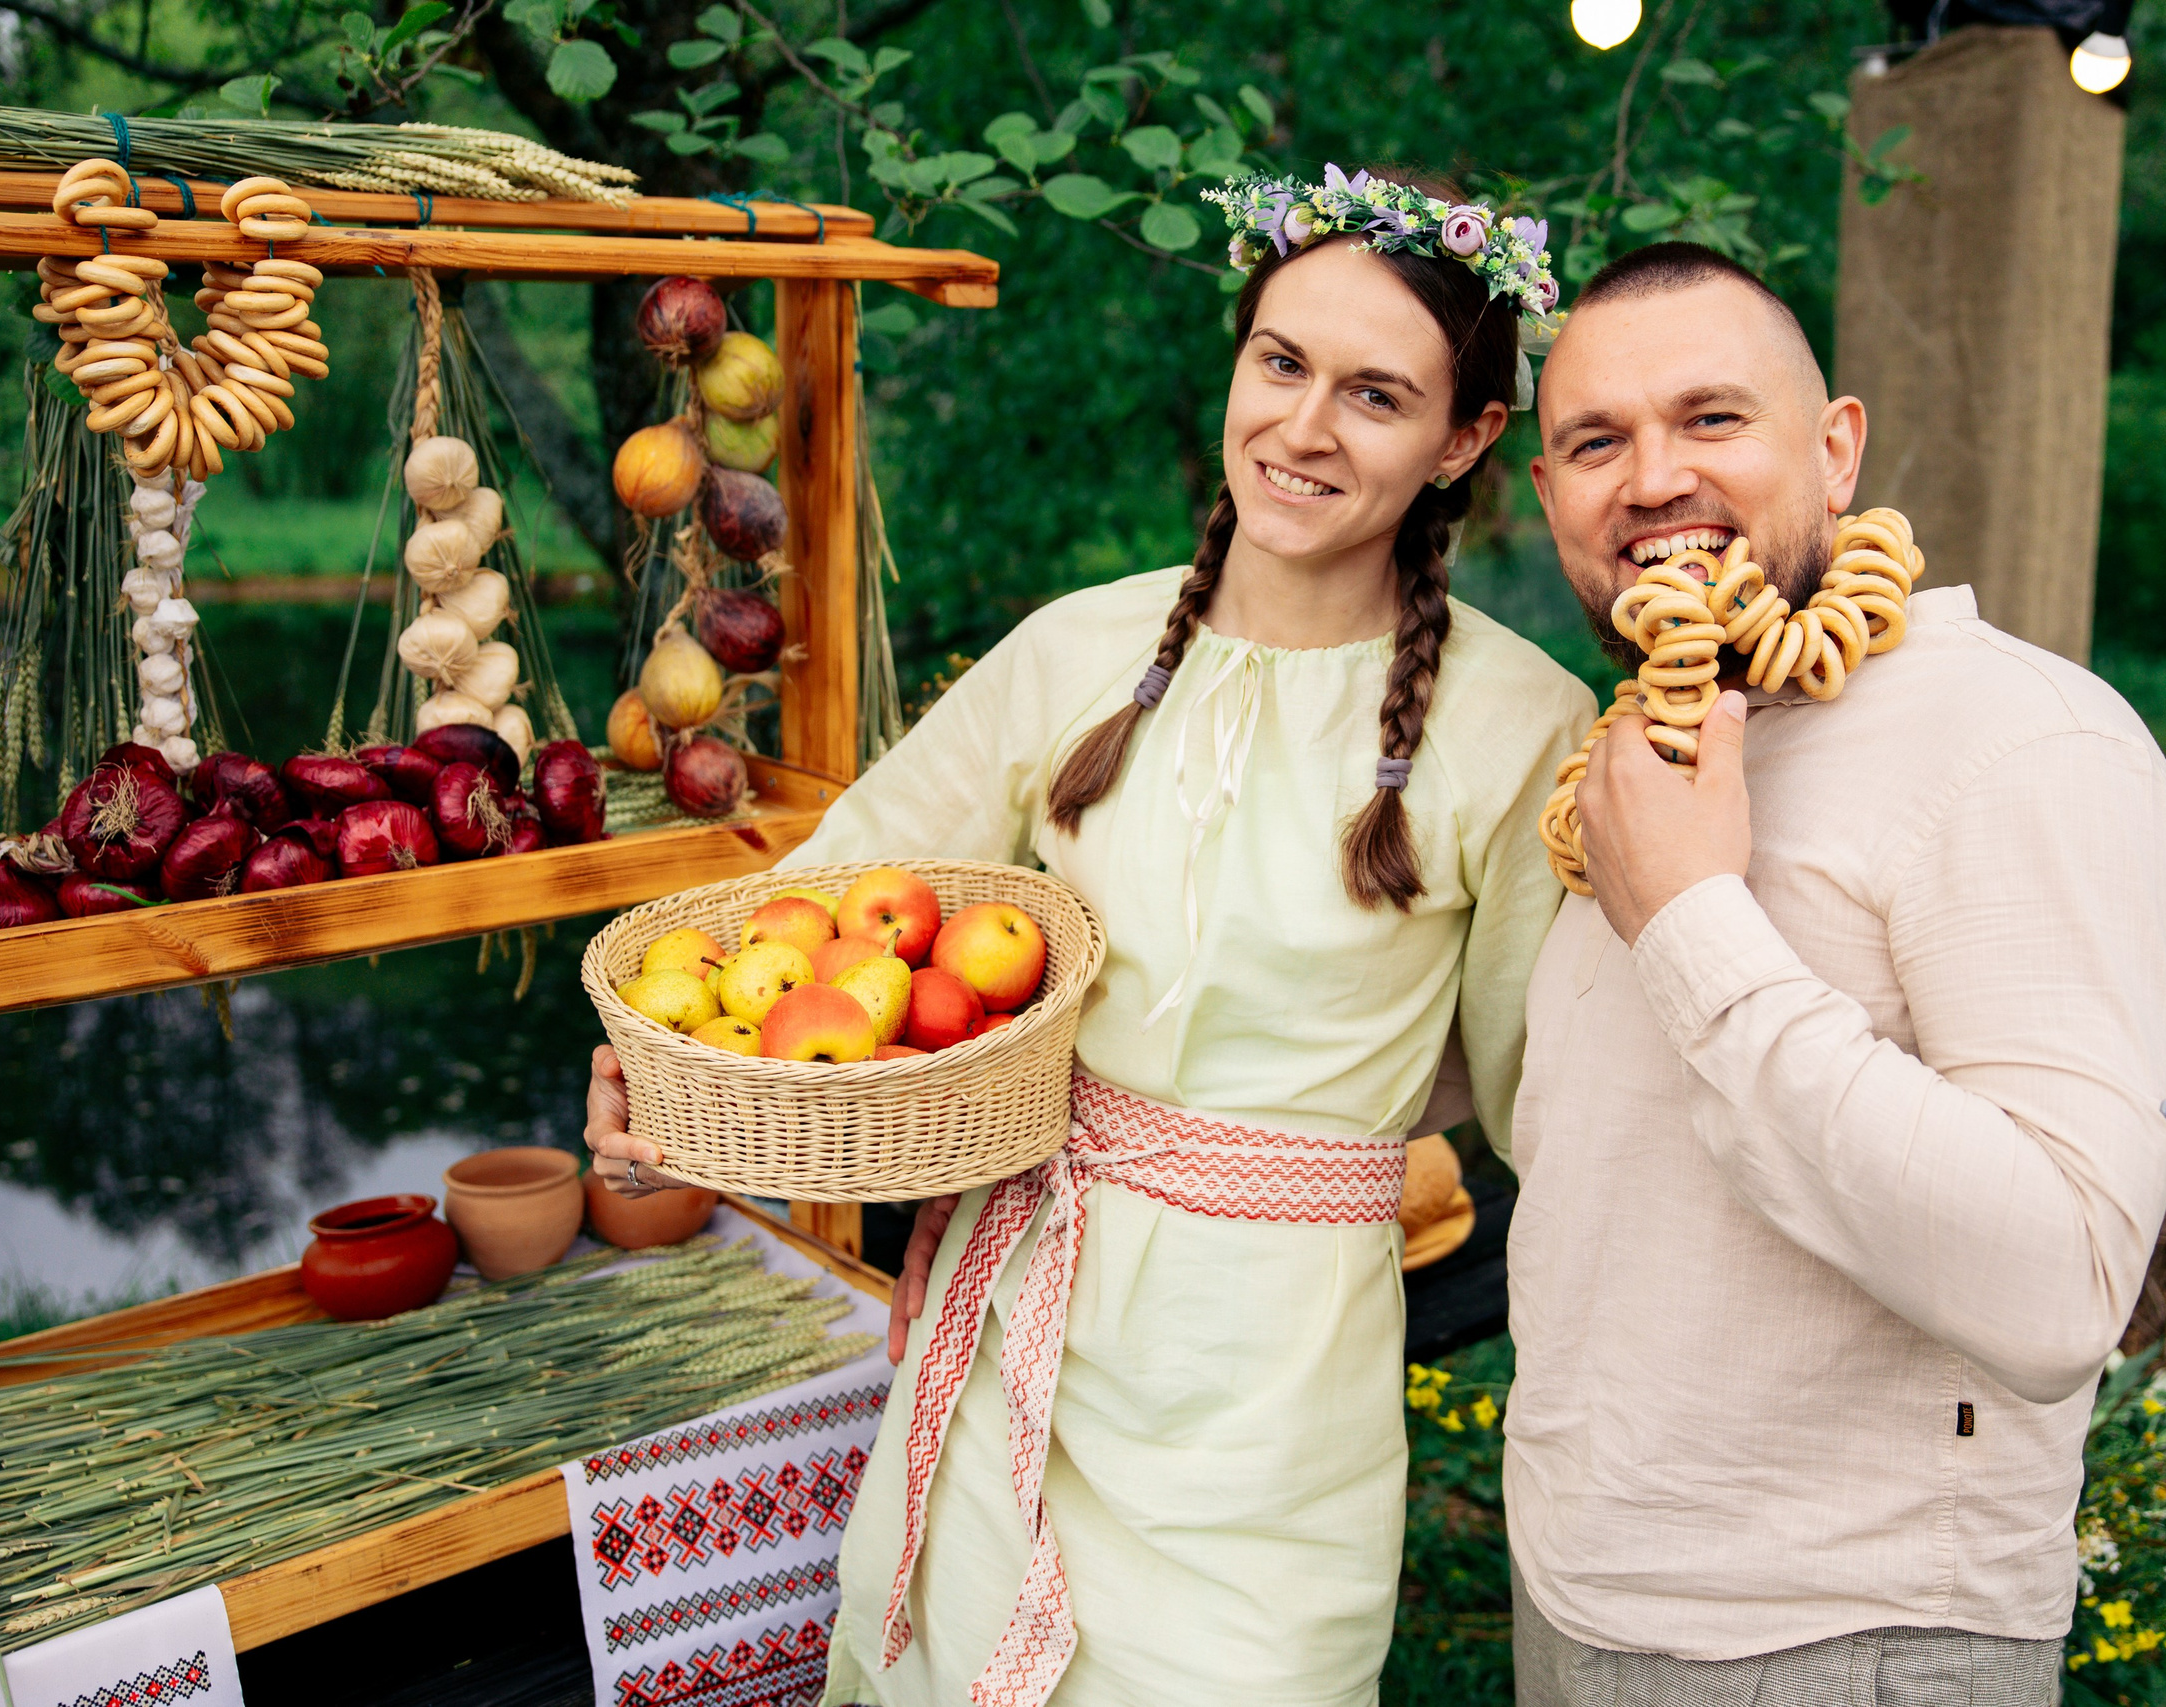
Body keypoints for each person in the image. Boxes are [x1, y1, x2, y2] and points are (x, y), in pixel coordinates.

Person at [586, 167, 1594, 1707]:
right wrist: (666, 1072)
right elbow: (832, 909)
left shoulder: (1524, 724)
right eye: (1282, 363)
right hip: (1018, 1311)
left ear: (1465, 439)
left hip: (1270, 1385)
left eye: (1377, 395)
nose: (1306, 428)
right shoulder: (1077, 650)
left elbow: (1560, 1102)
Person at [1503, 238, 2166, 1705]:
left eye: (1712, 420)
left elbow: (2058, 1283)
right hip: (1587, 1601)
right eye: (1596, 441)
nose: (1650, 479)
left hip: (1845, 1639)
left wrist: (1696, 917)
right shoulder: (1649, 746)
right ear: (1547, 499)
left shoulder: (2024, 747)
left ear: (1835, 452)